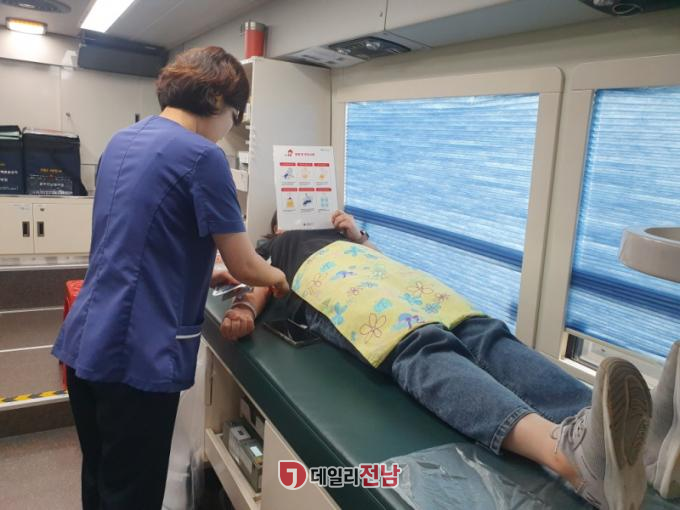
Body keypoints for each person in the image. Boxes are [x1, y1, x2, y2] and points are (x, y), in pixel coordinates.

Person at [219, 210, 680, 510]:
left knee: (484, 333)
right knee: (420, 347)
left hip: (401, 284)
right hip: (339, 293)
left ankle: (639, 449)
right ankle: (568, 455)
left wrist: (357, 236)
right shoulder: (275, 247)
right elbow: (255, 280)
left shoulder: (347, 235)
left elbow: (382, 261)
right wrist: (245, 310)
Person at [52, 47, 289, 510]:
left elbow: (137, 239)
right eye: (235, 116)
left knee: (100, 479)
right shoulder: (203, 157)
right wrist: (278, 275)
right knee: (132, 495)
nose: (229, 128)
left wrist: (202, 272)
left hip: (86, 343)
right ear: (217, 99)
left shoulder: (122, 140)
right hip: (136, 358)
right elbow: (247, 266)